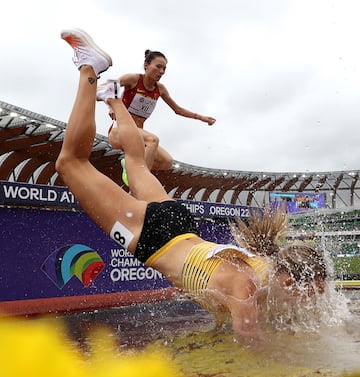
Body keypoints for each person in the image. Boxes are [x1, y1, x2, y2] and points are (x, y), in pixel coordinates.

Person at [57, 29, 329, 343]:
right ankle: (89, 69)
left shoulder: (268, 268)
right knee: (70, 164)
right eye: (311, 294)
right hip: (155, 237)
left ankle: (112, 97)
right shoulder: (247, 290)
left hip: (179, 224)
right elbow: (257, 355)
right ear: (287, 281)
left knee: (135, 161)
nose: (311, 303)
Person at [101, 48, 216, 183]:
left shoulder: (160, 89)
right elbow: (108, 86)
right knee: (153, 140)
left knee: (166, 162)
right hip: (119, 131)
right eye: (158, 67)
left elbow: (177, 109)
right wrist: (111, 106)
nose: (161, 72)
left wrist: (202, 118)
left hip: (138, 136)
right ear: (146, 65)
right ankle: (141, 181)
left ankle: (129, 164)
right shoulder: (133, 79)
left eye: (164, 69)